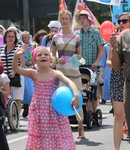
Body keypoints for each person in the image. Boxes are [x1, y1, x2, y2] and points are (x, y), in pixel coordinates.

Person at [12, 45, 79, 150]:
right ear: (35, 60)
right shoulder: (33, 73)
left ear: (51, 58)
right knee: (39, 138)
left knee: (57, 136)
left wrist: (75, 94)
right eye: (39, 55)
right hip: (38, 112)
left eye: (46, 54)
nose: (43, 56)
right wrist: (16, 57)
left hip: (55, 112)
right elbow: (16, 69)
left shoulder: (56, 73)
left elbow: (69, 82)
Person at [52, 10, 85, 139]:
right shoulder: (55, 37)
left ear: (70, 20)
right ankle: (61, 130)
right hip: (60, 72)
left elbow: (80, 55)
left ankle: (81, 128)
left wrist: (73, 58)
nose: (65, 21)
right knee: (60, 99)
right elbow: (52, 54)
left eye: (67, 18)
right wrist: (56, 59)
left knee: (77, 99)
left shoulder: (76, 37)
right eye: (63, 18)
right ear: (60, 20)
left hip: (73, 71)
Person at [107, 12, 130, 150]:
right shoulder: (115, 38)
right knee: (119, 115)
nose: (121, 23)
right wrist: (115, 49)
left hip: (126, 76)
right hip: (118, 77)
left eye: (125, 20)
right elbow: (109, 61)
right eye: (120, 21)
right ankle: (117, 148)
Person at [75, 10, 104, 113]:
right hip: (80, 67)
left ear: (88, 19)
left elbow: (101, 49)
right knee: (80, 89)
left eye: (84, 18)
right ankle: (83, 112)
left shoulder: (95, 32)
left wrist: (97, 61)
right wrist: (75, 63)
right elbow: (74, 50)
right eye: (80, 18)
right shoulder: (77, 34)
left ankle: (93, 112)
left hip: (93, 67)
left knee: (93, 90)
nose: (82, 20)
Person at [0, 28, 25, 113]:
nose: (11, 38)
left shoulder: (18, 48)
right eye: (9, 36)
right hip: (5, 76)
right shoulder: (1, 48)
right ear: (5, 38)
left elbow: (22, 63)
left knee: (17, 98)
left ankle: (16, 116)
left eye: (13, 37)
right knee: (5, 95)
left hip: (17, 75)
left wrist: (15, 71)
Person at [21, 31, 34, 117]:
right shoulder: (20, 46)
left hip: (31, 68)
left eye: (26, 37)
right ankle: (25, 105)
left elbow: (33, 56)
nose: (24, 39)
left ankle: (30, 104)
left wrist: (31, 61)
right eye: (23, 38)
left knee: (31, 87)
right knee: (26, 87)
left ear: (29, 38)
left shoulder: (32, 46)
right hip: (23, 68)